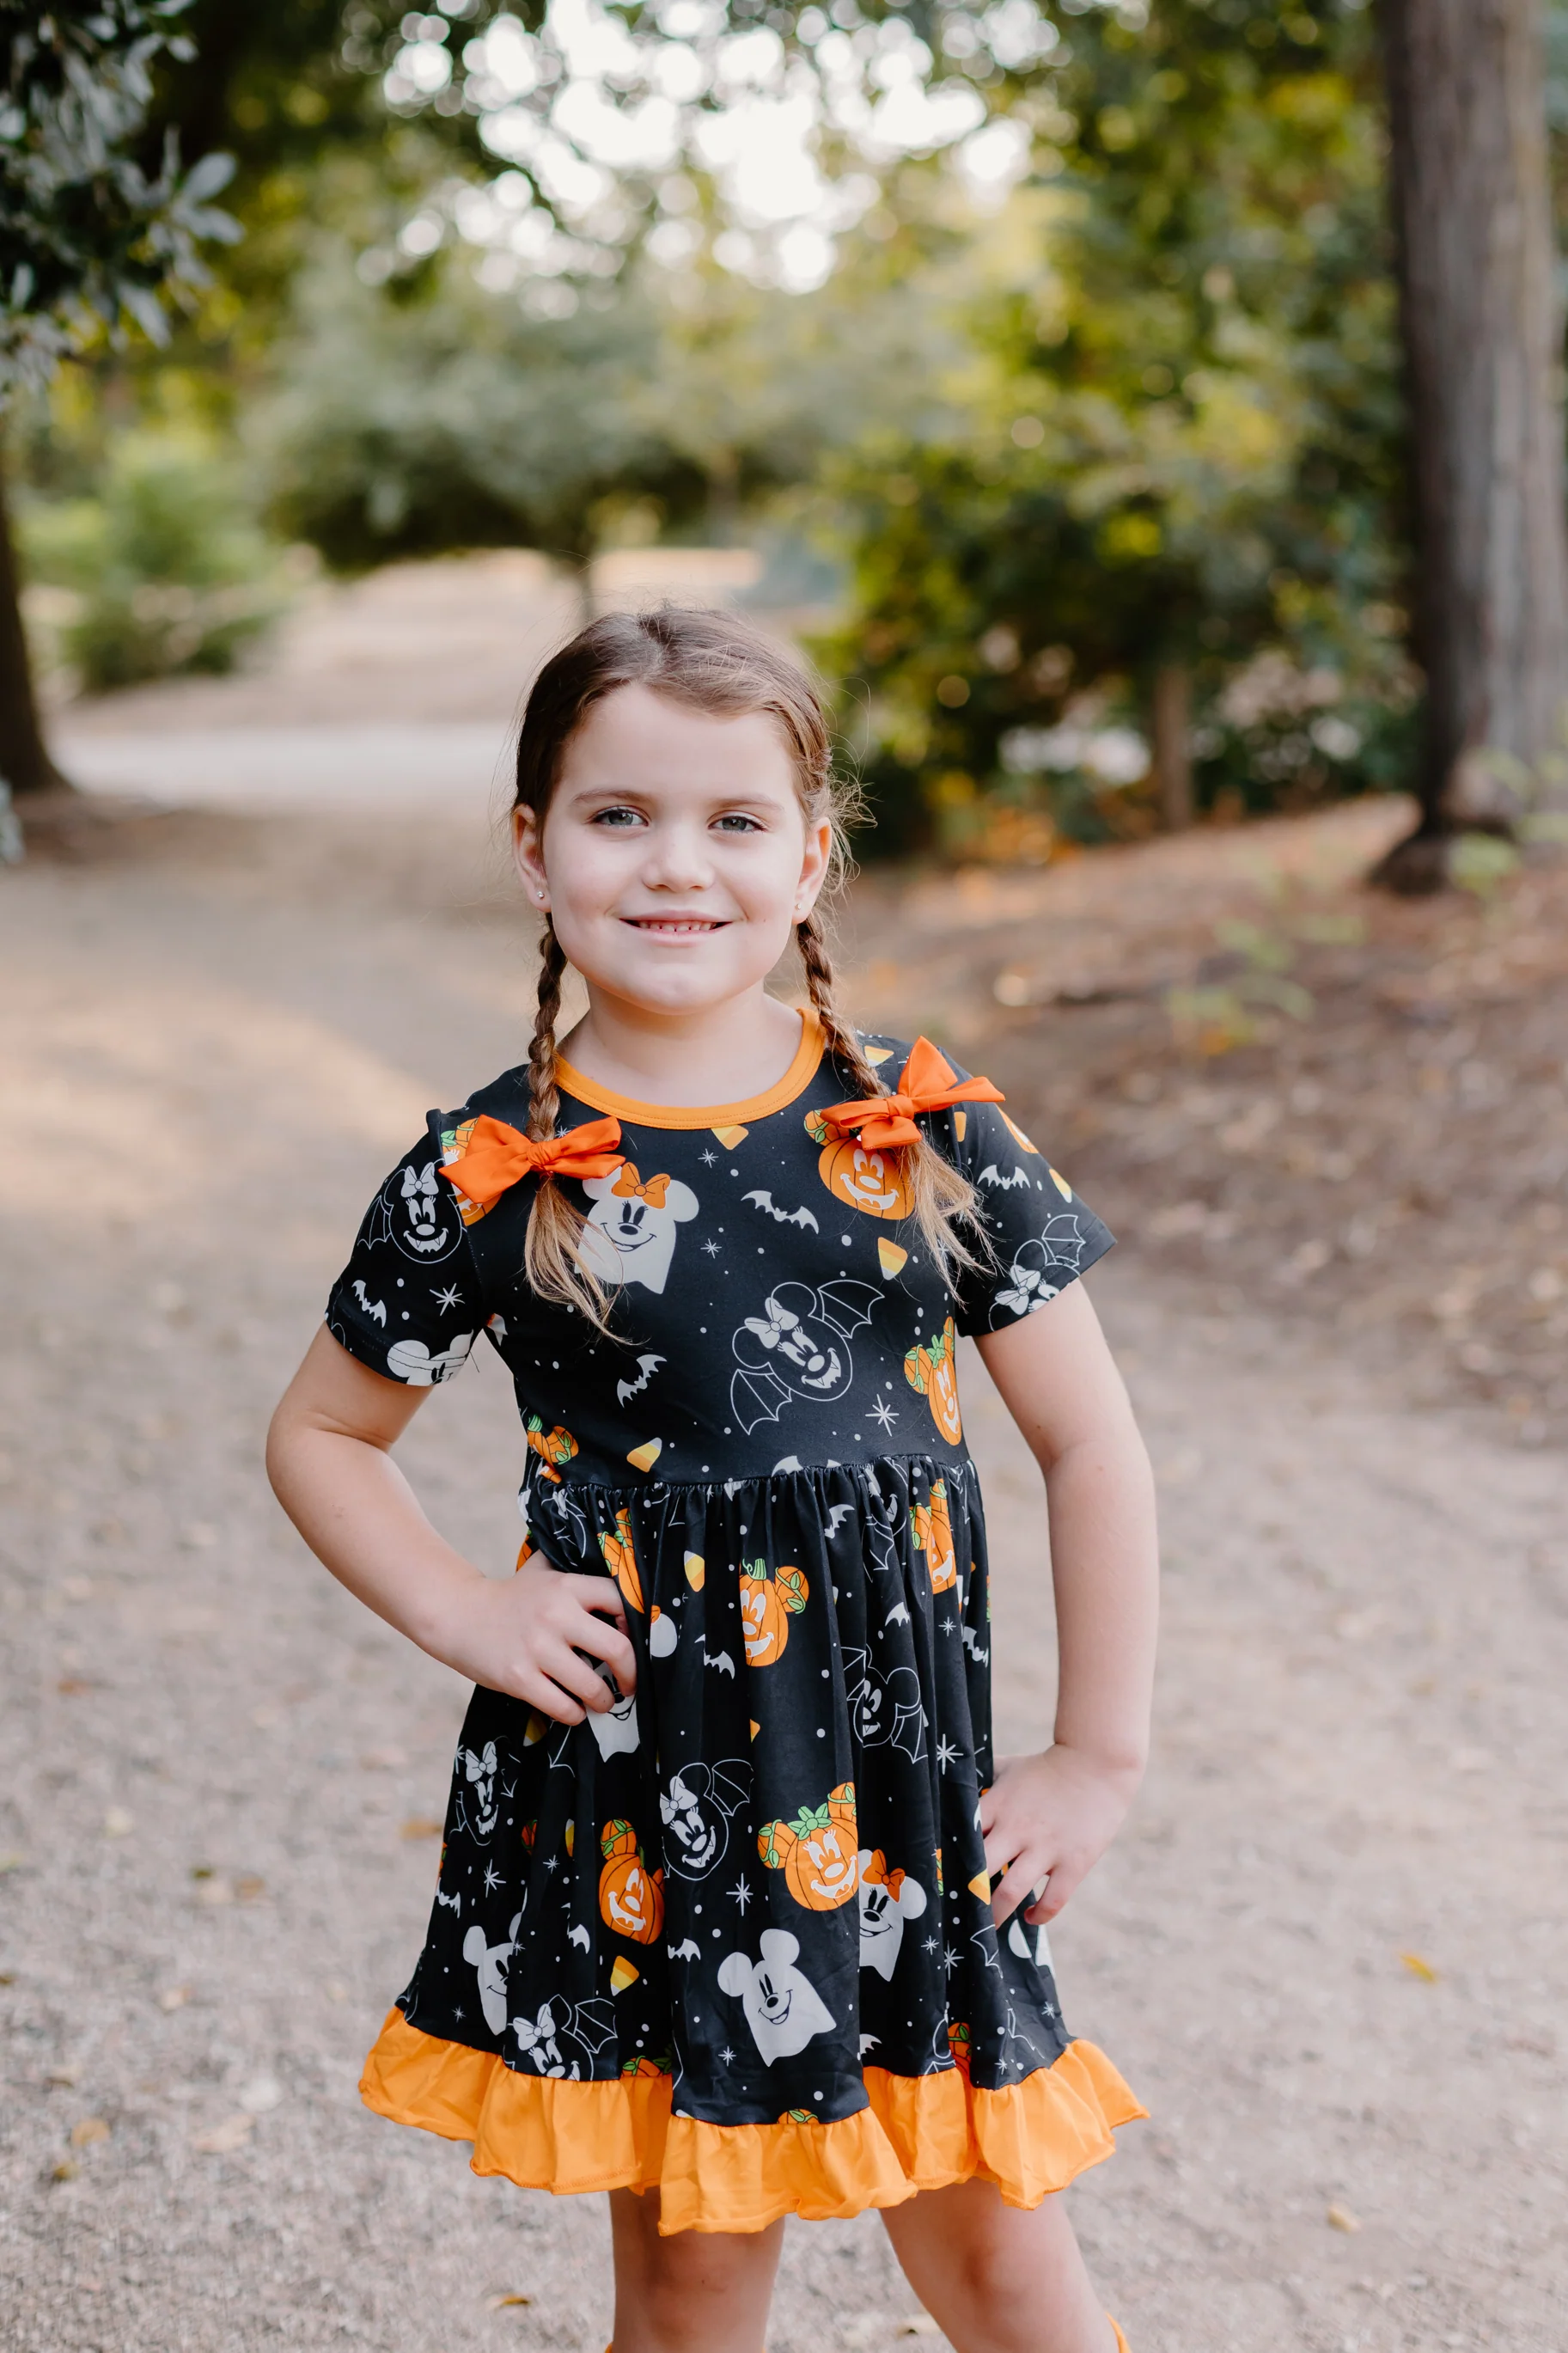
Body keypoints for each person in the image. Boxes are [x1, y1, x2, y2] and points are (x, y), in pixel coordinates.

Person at [266, 608, 1159, 2353]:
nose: (677, 864)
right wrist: (467, 1609)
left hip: (899, 1808)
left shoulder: (921, 1132)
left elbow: (1092, 1441)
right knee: (689, 2286)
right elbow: (321, 1433)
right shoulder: (491, 1170)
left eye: (735, 820)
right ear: (535, 849)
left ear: (811, 857)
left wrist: (1096, 1754)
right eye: (620, 815)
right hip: (649, 1804)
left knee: (1000, 2254)